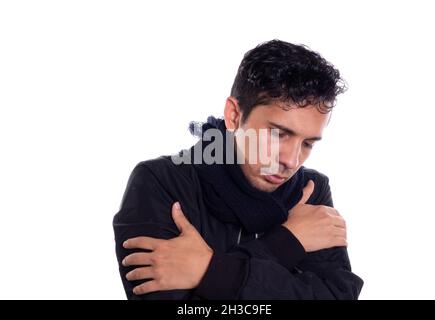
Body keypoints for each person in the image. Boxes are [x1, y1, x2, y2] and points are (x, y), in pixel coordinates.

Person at [113, 39, 364, 299]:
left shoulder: (310, 192)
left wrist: (210, 270)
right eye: (278, 134)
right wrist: (287, 241)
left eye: (308, 143)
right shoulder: (160, 182)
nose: (291, 160)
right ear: (234, 115)